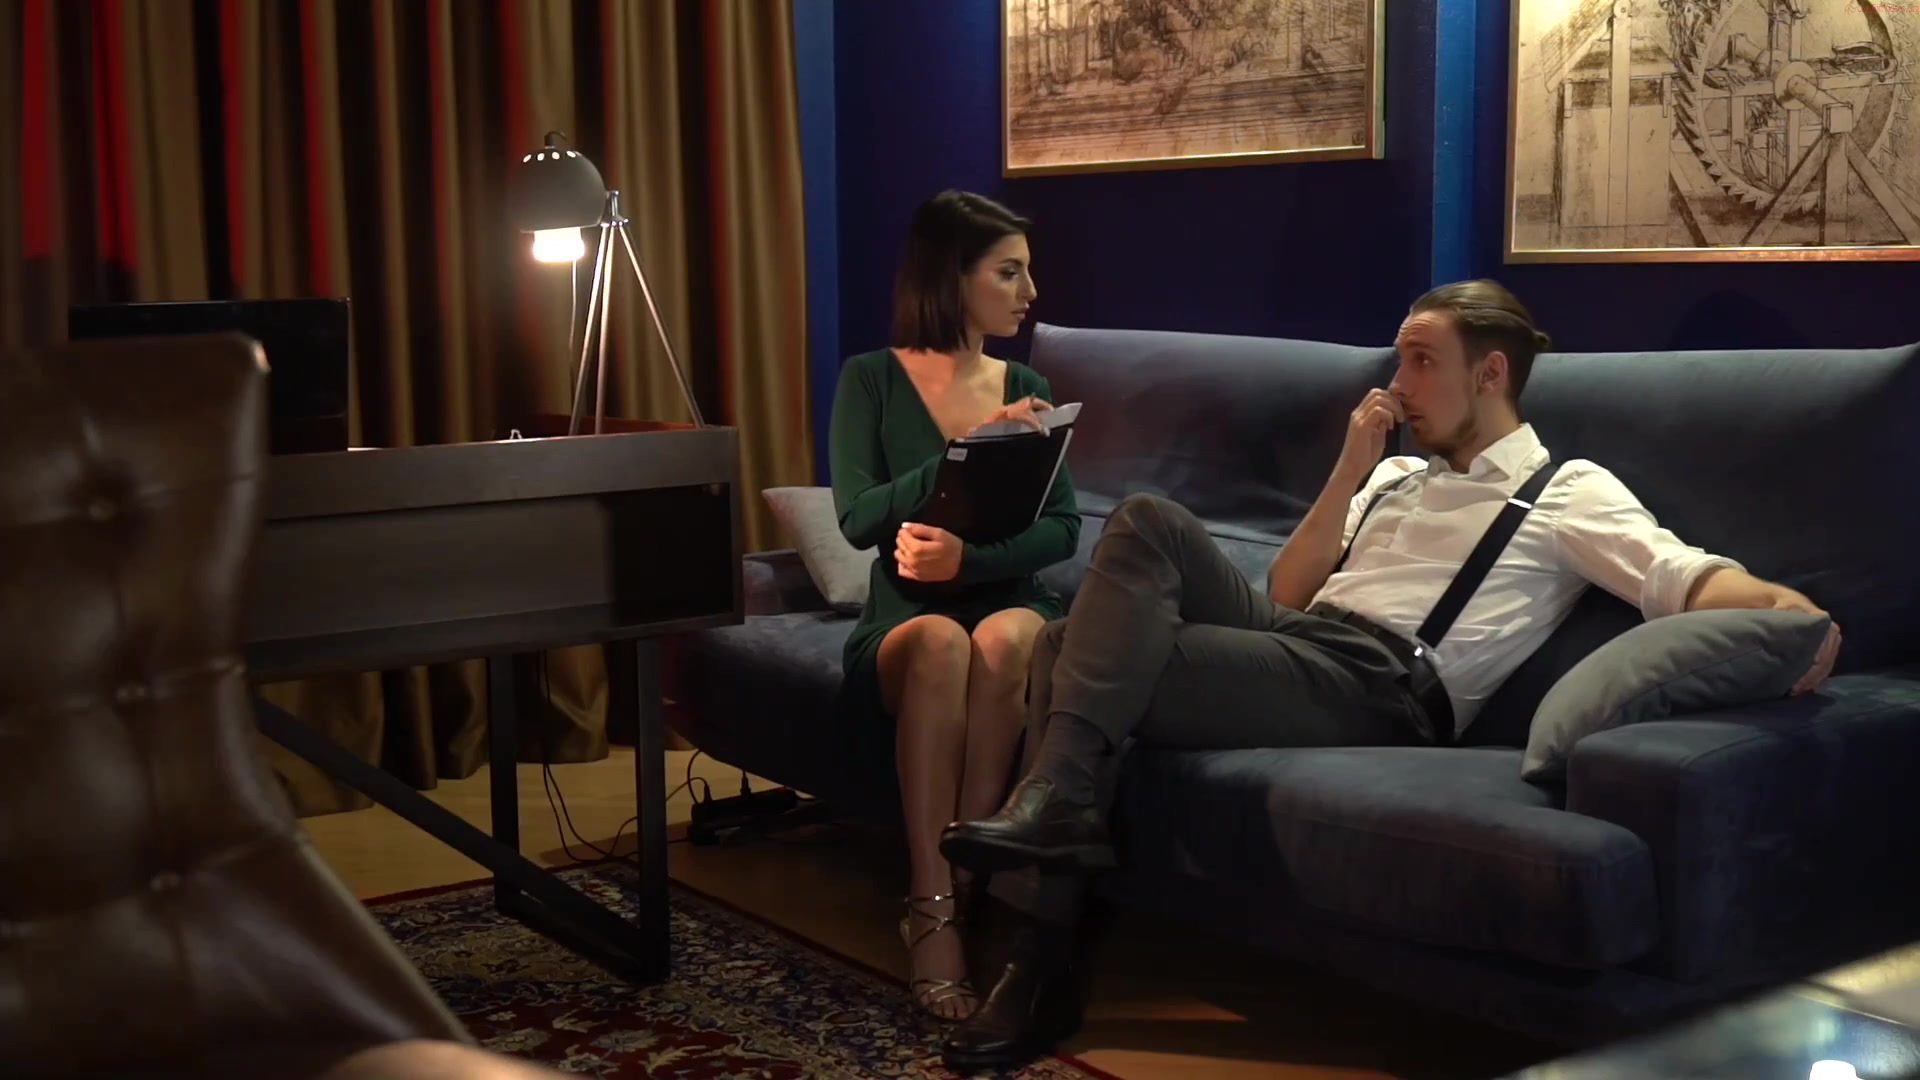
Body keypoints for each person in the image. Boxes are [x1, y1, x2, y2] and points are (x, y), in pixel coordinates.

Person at [934, 279, 1844, 1070]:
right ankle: (1059, 814)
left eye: (1420, 362)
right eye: (1399, 361)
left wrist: (1787, 613)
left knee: (1066, 649)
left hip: (1383, 686)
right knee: (1143, 522)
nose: (1396, 385)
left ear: (1490, 374)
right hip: (1300, 637)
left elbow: (1679, 574)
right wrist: (1349, 471)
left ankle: (1038, 955)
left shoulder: (1567, 491)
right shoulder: (1395, 473)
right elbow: (1287, 591)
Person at [828, 190, 1081, 1021]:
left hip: (1009, 598)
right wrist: (967, 450)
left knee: (1007, 639)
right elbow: (858, 517)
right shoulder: (870, 379)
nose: (1029, 292)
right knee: (940, 641)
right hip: (907, 612)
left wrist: (971, 559)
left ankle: (966, 883)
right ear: (951, 276)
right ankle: (932, 903)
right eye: (1008, 273)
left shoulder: (1028, 383)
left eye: (1027, 272)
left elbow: (1063, 528)